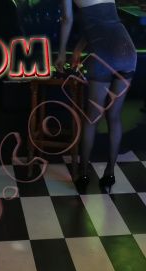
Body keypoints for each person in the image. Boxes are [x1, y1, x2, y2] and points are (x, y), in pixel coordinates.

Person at [56, 0, 137, 192]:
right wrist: (79, 48)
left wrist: (62, 53)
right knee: (114, 116)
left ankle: (83, 175)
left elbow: (67, 19)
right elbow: (101, 19)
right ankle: (109, 174)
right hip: (128, 50)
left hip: (103, 54)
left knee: (92, 118)